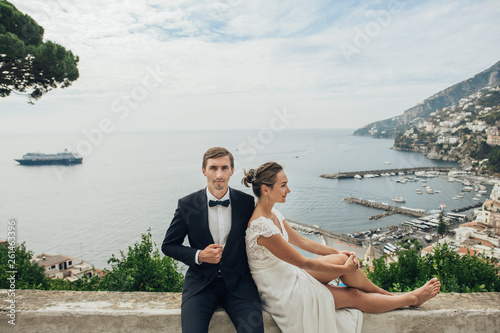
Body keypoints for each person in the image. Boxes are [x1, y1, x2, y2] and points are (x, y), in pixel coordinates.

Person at [242, 161, 441, 333]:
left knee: (341, 259)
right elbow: (303, 261)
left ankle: (389, 295)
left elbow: (303, 242)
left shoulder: (273, 213)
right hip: (282, 290)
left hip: (289, 276)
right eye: (283, 185)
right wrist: (344, 270)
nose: (289, 190)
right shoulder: (261, 227)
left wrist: (339, 252)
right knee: (352, 295)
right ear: (265, 189)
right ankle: (410, 299)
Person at [162, 147, 264, 333]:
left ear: (232, 171)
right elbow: (168, 246)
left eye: (224, 168)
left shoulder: (246, 202)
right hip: (201, 285)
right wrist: (199, 255)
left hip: (239, 285)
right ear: (203, 171)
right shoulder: (187, 205)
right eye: (213, 168)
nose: (219, 174)